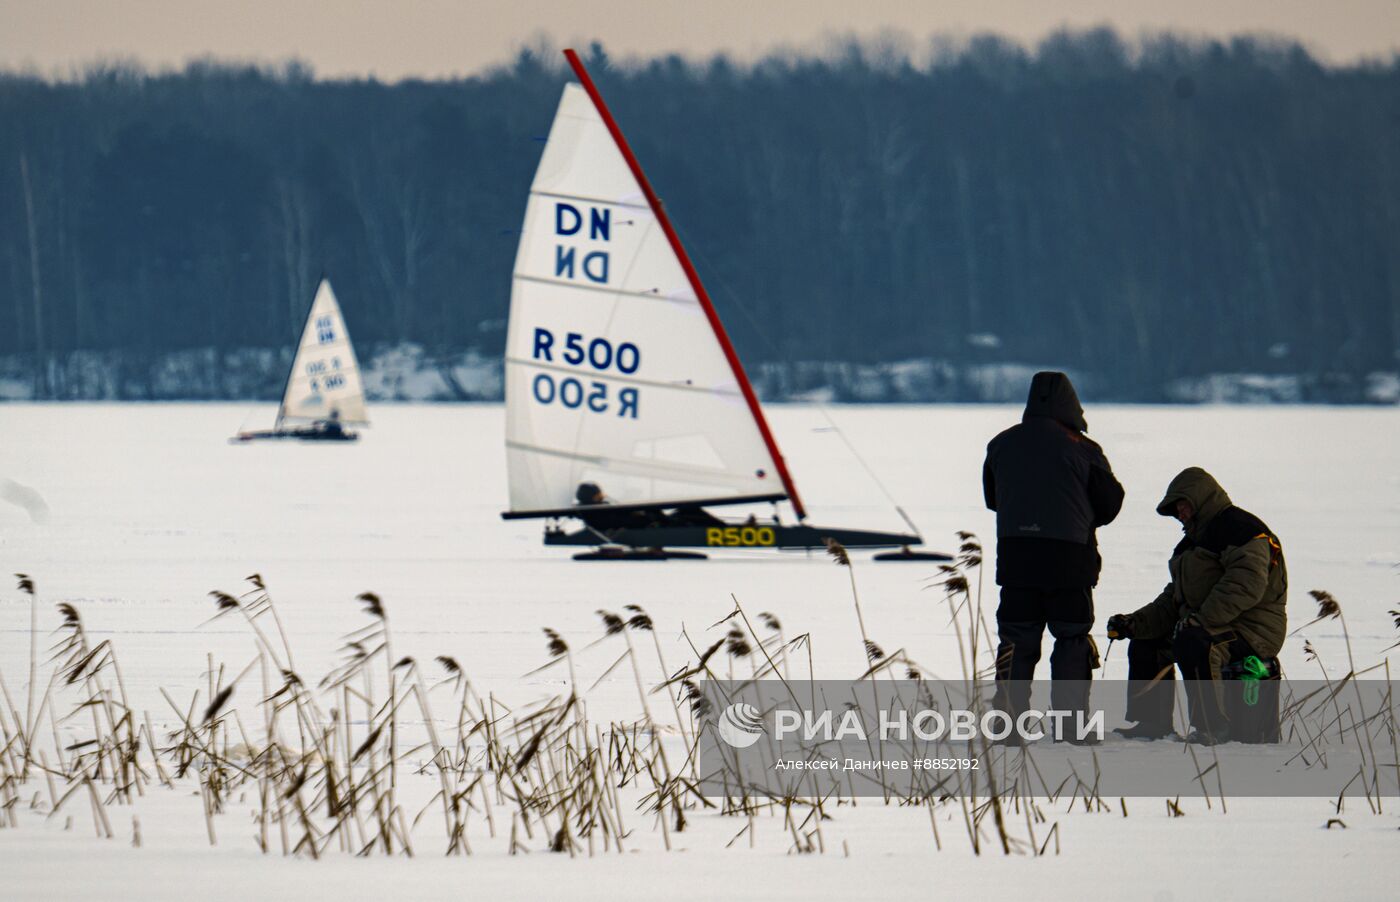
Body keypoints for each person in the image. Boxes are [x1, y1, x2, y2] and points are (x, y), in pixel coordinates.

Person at [984, 372, 1124, 730]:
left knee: (1016, 641)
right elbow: (1110, 504)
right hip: (1070, 561)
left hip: (1017, 559)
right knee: (1071, 640)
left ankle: (1007, 725)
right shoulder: (1084, 449)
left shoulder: (1001, 444)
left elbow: (992, 499)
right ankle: (1071, 727)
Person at [1107, 467, 1287, 744]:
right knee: (1147, 642)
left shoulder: (1242, 529)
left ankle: (1214, 728)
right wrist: (1134, 623)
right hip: (1210, 624)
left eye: (1182, 504)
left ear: (1199, 498)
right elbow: (1174, 599)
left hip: (1252, 630)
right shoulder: (1190, 545)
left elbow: (1245, 584)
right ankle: (1152, 724)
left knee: (1196, 641)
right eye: (1175, 508)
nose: (1179, 512)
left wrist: (1201, 619)